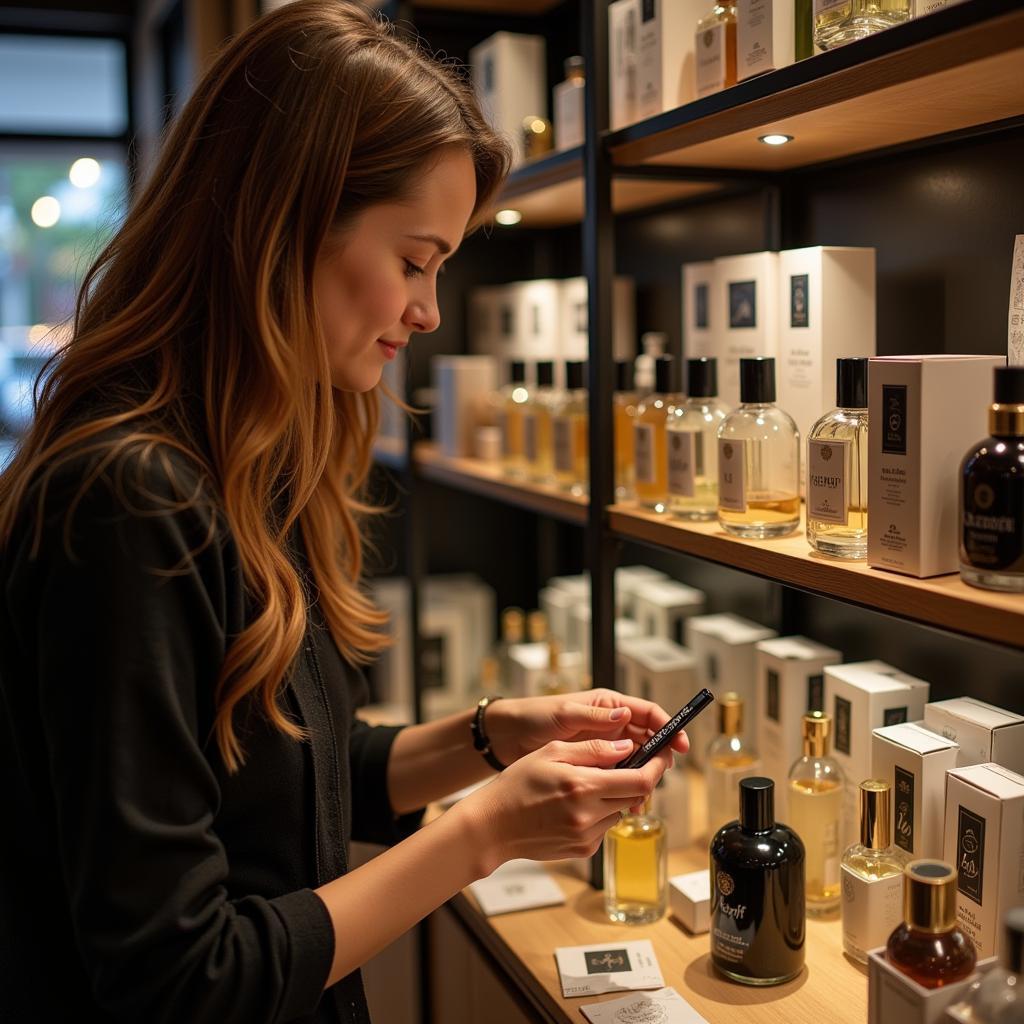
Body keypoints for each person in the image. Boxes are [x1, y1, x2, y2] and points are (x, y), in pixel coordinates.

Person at [0, 3, 687, 1022]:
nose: (429, 311)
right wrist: (482, 832)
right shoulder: (128, 500)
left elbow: (302, 781)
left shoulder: (244, 465)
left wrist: (494, 735)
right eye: (413, 260)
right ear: (281, 226)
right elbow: (181, 979)